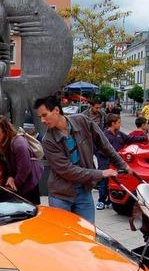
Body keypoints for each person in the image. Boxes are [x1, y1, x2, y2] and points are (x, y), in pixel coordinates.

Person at [34, 95, 129, 223]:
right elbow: (68, 170)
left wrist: (123, 165)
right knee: (65, 235)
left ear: (56, 110)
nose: (42, 120)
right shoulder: (48, 141)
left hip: (84, 189)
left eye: (44, 115)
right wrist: (100, 173)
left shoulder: (82, 121)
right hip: (61, 194)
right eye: (40, 117)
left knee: (88, 232)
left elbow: (104, 145)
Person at [0, 115, 43, 205]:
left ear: (5, 132)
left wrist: (13, 186)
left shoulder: (19, 144)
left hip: (28, 184)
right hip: (15, 180)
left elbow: (24, 169)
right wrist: (10, 176)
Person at [95, 114, 147, 210]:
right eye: (118, 122)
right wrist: (106, 157)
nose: (120, 124)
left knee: (115, 182)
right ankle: (101, 201)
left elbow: (130, 139)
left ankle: (110, 200)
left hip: (116, 164)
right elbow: (97, 149)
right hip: (105, 163)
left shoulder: (119, 134)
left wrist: (143, 138)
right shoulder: (104, 135)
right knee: (104, 182)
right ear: (113, 123)